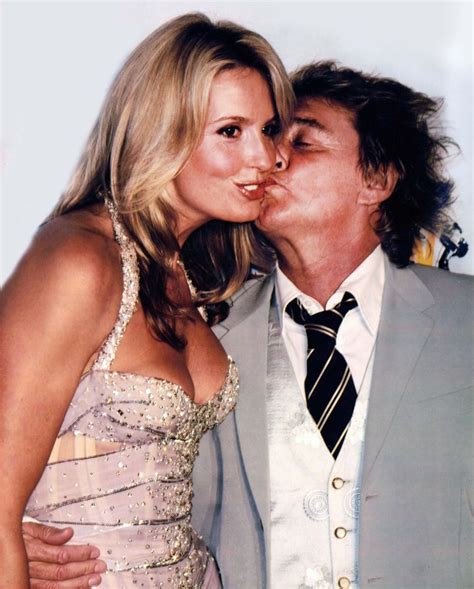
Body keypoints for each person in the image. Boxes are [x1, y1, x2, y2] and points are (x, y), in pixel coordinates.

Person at [23, 62, 473, 588]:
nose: (267, 158)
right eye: (263, 135)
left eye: (300, 142)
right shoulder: (199, 334)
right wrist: (29, 536)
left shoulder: (464, 321)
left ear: (376, 180)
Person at [0, 13, 294, 588]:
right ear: (162, 131)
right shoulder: (80, 261)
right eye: (230, 131)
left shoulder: (196, 274)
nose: (265, 158)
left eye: (268, 129)